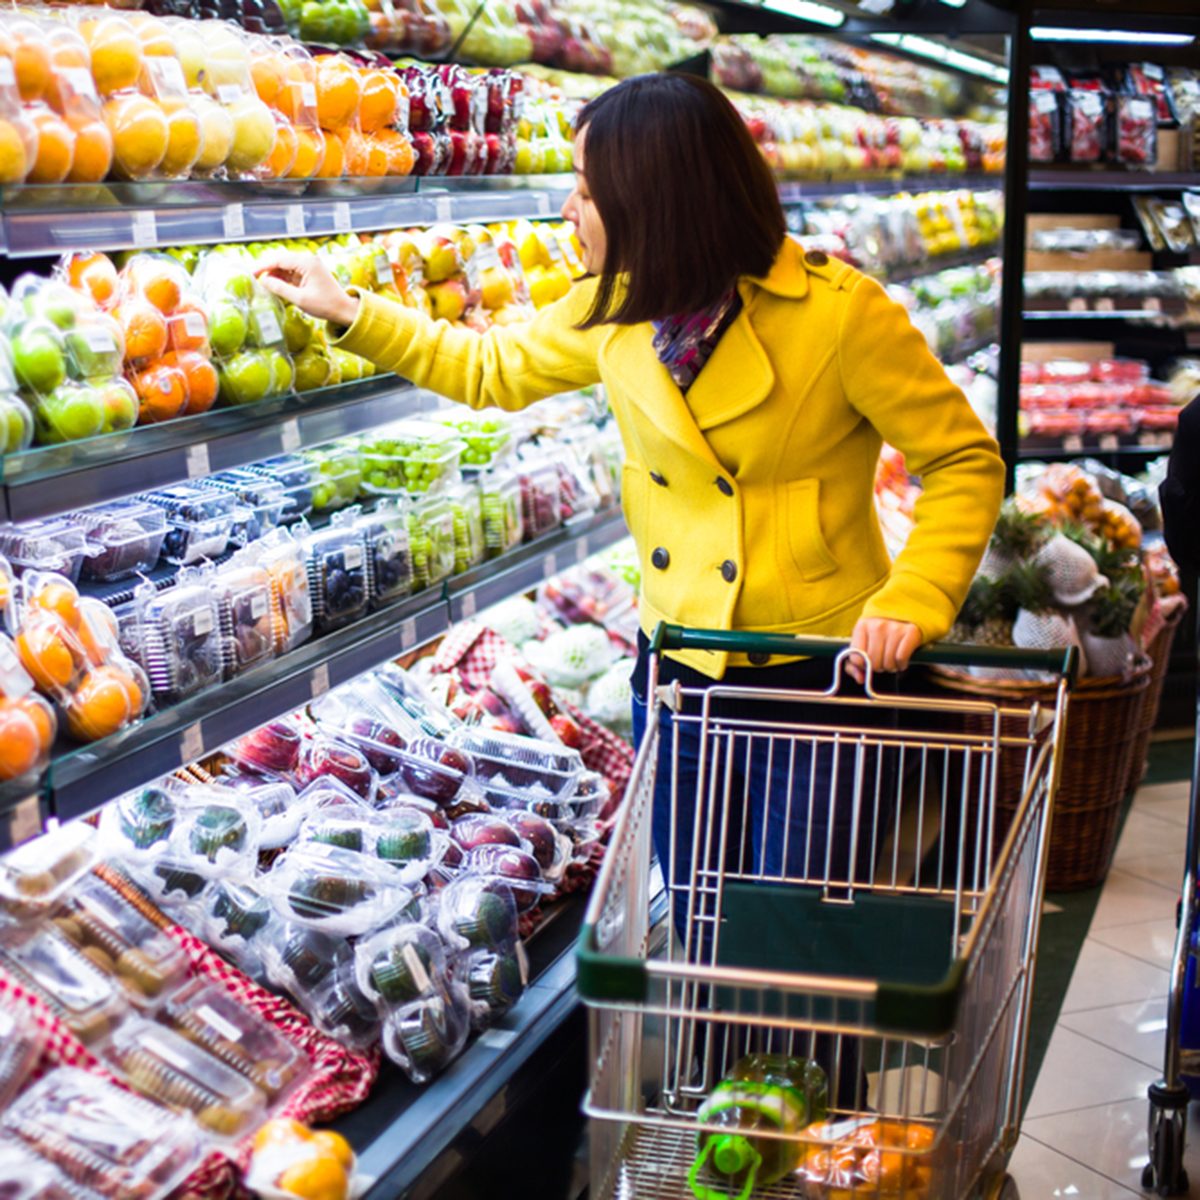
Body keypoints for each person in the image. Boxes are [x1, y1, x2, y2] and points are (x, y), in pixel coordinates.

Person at [257, 71, 1004, 1008]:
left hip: (813, 673)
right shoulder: (618, 309)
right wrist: (352, 311)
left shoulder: (841, 316)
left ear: (654, 198)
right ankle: (717, 1088)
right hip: (679, 666)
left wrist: (913, 597)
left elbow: (965, 460)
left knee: (783, 921)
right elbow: (492, 367)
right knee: (699, 912)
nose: (569, 208)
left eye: (584, 187)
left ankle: (782, 1100)